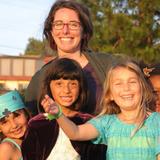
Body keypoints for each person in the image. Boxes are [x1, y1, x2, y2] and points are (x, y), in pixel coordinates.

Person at [41, 57, 160, 160]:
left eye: (132, 82)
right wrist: (58, 114)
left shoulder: (156, 121)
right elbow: (75, 132)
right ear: (110, 95)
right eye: (118, 84)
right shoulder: (107, 123)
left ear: (143, 89)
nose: (126, 88)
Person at [25, 0, 115, 116]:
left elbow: (144, 72)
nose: (65, 31)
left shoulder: (107, 64)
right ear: (51, 31)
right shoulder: (39, 79)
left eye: (73, 24)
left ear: (84, 32)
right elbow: (28, 122)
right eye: (58, 24)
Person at [22, 58, 107, 160]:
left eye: (73, 84)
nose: (66, 90)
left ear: (81, 87)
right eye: (59, 84)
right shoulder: (37, 124)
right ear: (49, 86)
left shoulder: (89, 124)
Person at [0, 90, 30, 160]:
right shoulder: (6, 148)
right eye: (5, 122)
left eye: (16, 116)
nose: (14, 125)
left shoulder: (34, 138)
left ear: (26, 114)